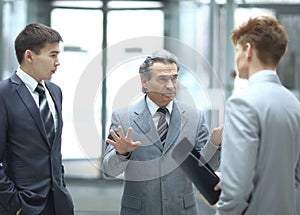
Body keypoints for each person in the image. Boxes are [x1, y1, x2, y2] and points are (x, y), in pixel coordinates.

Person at [102, 49, 222, 215]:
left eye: (174, 78)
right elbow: (108, 171)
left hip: (182, 210)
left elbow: (207, 169)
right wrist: (121, 153)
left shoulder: (195, 117)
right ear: (144, 82)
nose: (171, 86)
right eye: (162, 79)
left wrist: (214, 143)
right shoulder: (123, 118)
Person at [216, 16, 300, 214]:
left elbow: (235, 191)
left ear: (249, 50)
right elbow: (296, 174)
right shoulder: (293, 103)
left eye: (237, 51)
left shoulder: (242, 102)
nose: (236, 58)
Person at [0, 23, 74, 215]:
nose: (58, 62)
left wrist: (61, 184)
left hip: (59, 202)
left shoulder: (55, 92)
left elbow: (53, 150)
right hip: (23, 204)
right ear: (29, 56)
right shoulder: (3, 94)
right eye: (53, 55)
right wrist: (13, 203)